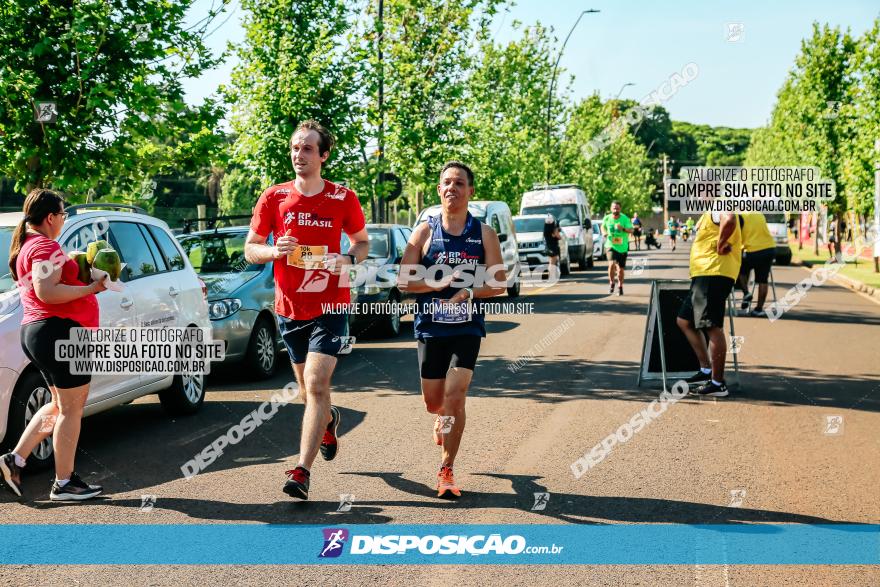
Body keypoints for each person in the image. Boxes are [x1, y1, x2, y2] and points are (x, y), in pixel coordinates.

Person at [244, 120, 369, 501]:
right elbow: (252, 247)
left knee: (316, 385)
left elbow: (361, 242)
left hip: (330, 305)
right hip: (289, 307)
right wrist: (273, 250)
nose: (299, 155)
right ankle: (329, 422)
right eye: (295, 148)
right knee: (307, 392)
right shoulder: (274, 197)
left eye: (308, 149)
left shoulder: (342, 198)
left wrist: (347, 259)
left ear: (324, 155)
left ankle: (301, 471)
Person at [398, 161, 506, 498]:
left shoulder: (484, 233)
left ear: (470, 191)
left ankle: (446, 468)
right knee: (435, 402)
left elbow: (500, 283)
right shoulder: (424, 232)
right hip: (431, 327)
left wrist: (471, 292)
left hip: (467, 328)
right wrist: (435, 282)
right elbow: (404, 281)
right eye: (446, 182)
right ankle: (440, 418)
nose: (452, 188)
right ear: (438, 189)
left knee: (455, 394)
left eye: (459, 183)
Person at [1, 189, 108, 501]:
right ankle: (65, 483)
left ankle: (15, 459)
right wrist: (92, 288)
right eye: (63, 214)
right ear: (50, 217)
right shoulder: (44, 246)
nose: (64, 219)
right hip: (57, 332)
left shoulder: (29, 246)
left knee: (61, 404)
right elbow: (46, 291)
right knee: (72, 408)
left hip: (41, 331)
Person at [676, 211, 742, 397]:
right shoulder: (709, 210)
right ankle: (706, 370)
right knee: (684, 321)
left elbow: (729, 219)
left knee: (711, 326)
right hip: (704, 274)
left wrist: (721, 243)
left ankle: (717, 383)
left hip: (713, 272)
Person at [737, 213, 776, 317]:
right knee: (763, 280)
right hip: (769, 248)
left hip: (751, 250)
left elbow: (737, 235)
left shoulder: (740, 216)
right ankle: (758, 309)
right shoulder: (760, 214)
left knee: (740, 271)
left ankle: (746, 293)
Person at [602, 201, 633, 296]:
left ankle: (620, 286)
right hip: (610, 245)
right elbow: (602, 226)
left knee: (620, 270)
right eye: (614, 208)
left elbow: (631, 230)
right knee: (611, 264)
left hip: (622, 247)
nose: (615, 210)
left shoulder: (625, 218)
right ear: (611, 209)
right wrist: (604, 233)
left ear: (620, 209)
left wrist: (623, 228)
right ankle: (611, 283)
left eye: (617, 208)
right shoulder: (607, 218)